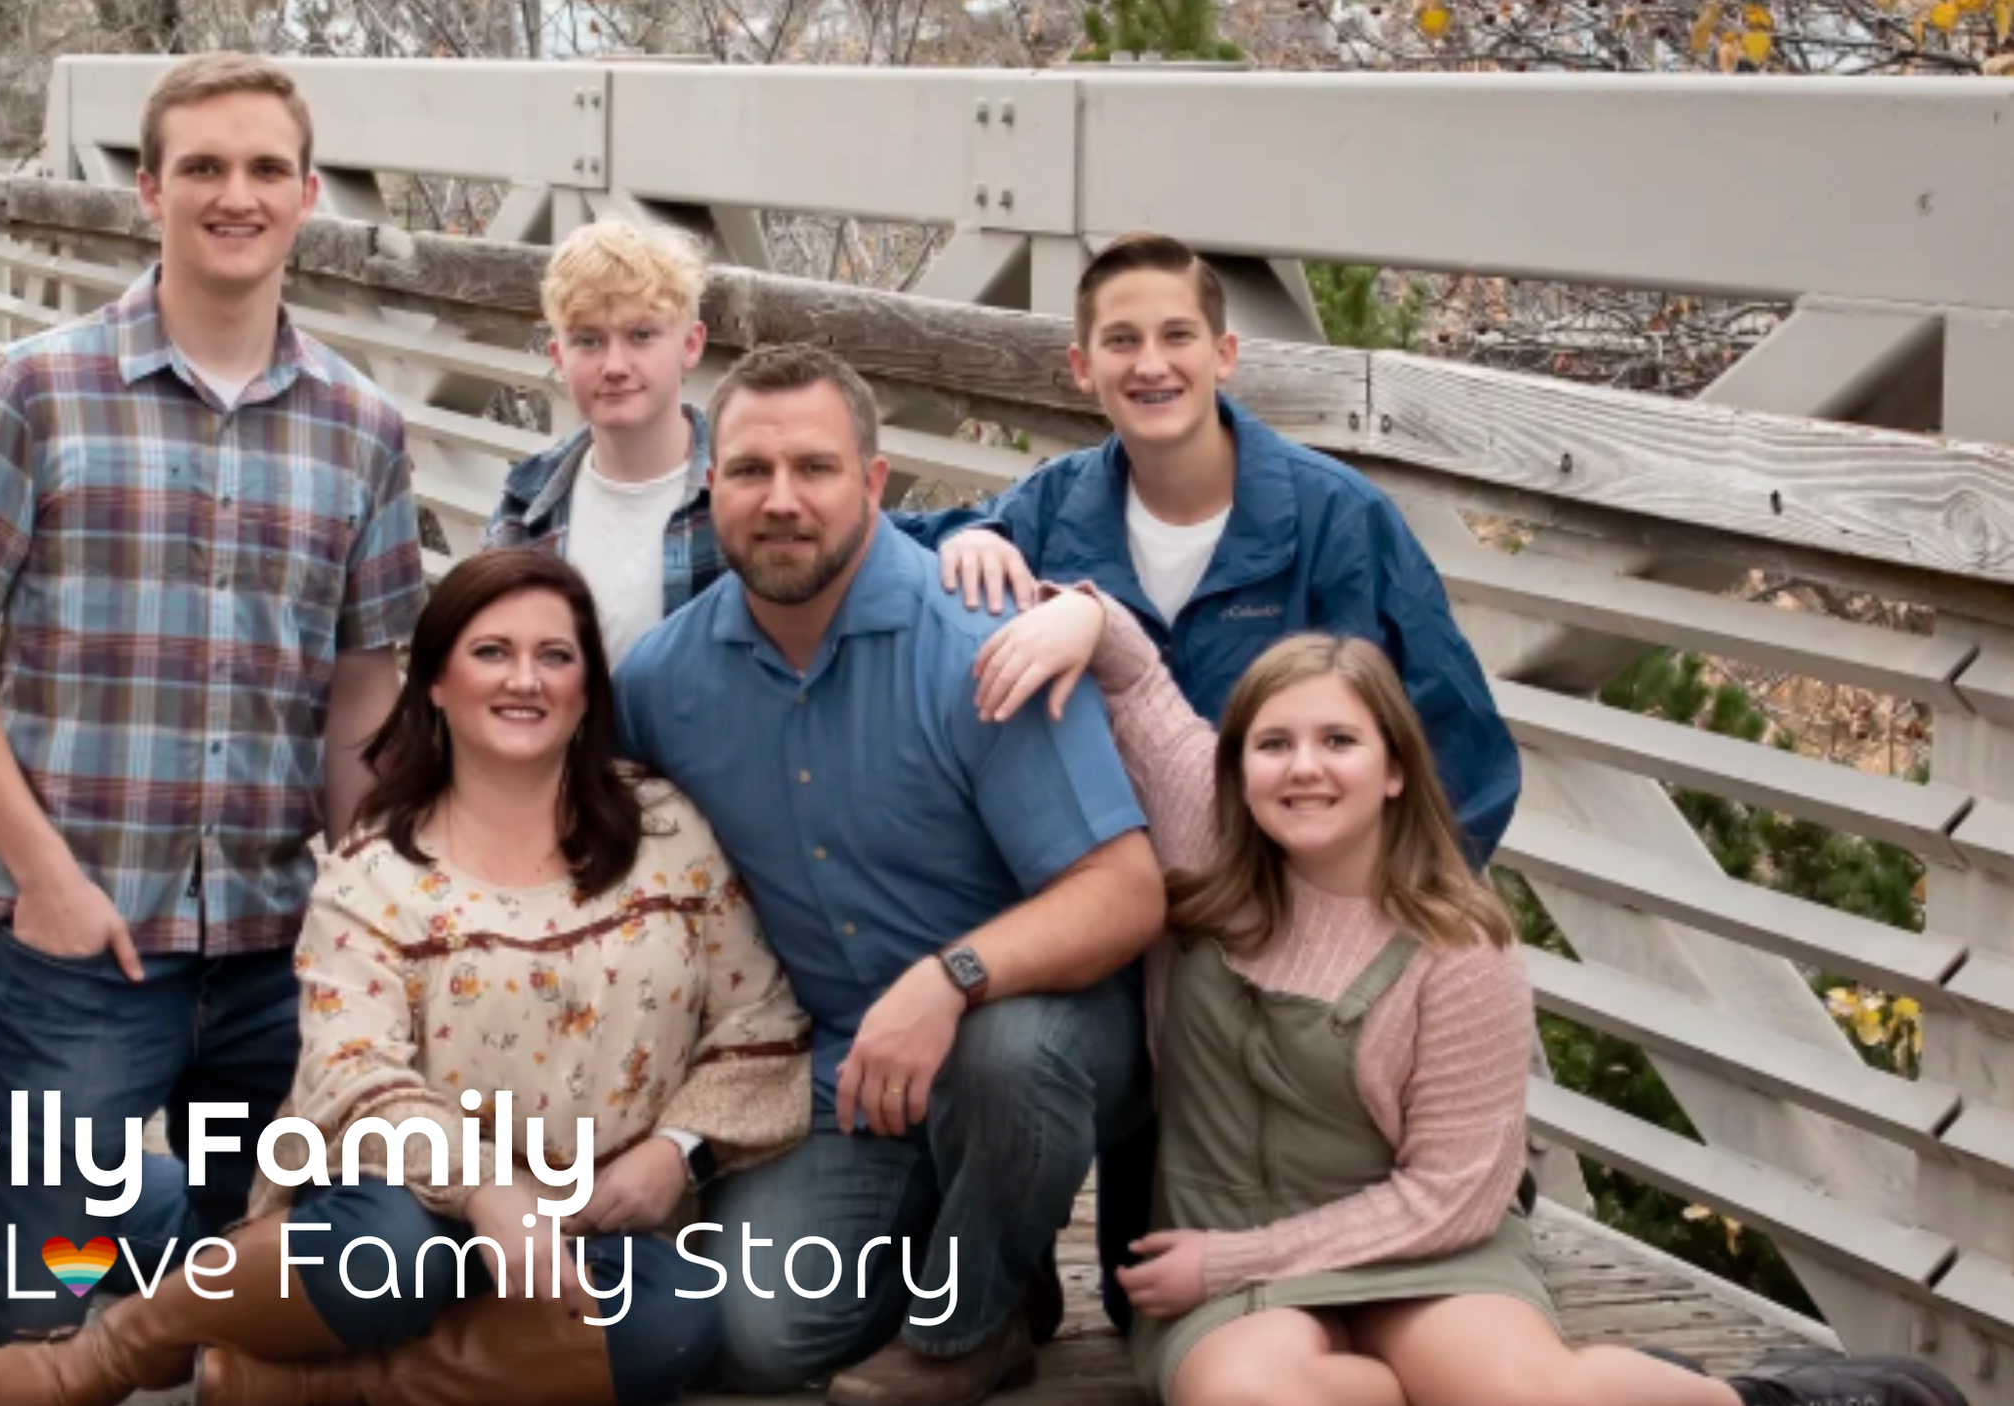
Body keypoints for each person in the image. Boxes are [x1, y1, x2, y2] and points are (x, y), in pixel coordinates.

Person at [0, 53, 423, 1349]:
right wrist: (41, 875)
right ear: (149, 189)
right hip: (80, 939)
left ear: (309, 192)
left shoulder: (363, 429)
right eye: (203, 166)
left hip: (277, 946)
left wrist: (372, 905)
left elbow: (363, 691)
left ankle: (27, 1188)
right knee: (26, 1304)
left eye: (266, 167)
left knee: (259, 1298)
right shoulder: (36, 389)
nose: (236, 193)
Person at [970, 588, 1971, 1406]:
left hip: (1418, 1245)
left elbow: (1451, 1193)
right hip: (1225, 1255)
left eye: (1338, 741)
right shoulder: (1207, 832)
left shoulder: (1458, 944)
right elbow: (1133, 673)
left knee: (1525, 1393)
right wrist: (1070, 606)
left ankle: (1766, 1399)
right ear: (1236, 766)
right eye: (1272, 744)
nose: (1302, 767)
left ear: (1396, 769)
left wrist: (1232, 1257)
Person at [0, 550, 815, 1406]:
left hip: (591, 1222)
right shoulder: (375, 867)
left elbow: (759, 1023)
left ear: (588, 687)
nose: (527, 679)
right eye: (491, 652)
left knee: (679, 1317)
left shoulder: (666, 833)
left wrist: (677, 1151)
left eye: (556, 656)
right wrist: (486, 1193)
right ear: (435, 681)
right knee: (390, 1258)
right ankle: (101, 1358)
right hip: (409, 1201)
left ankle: (294, 1389)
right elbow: (356, 1071)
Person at [922, 232, 1523, 1330]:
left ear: (1226, 353)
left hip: (1288, 973)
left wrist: (1392, 961)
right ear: (1078, 367)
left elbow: (1460, 756)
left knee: (1270, 1289)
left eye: (1175, 336)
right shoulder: (1043, 512)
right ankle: (988, 1314)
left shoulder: (1337, 520)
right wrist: (968, 539)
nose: (1150, 364)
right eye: (1120, 341)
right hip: (1118, 937)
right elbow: (873, 563)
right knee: (1137, 1280)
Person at [611, 344, 1168, 1406]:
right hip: (834, 1074)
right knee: (759, 1333)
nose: (781, 501)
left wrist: (948, 978)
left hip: (1033, 1035)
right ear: (706, 484)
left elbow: (1125, 888)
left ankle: (973, 1323)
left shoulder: (982, 643)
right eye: (748, 472)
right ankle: (978, 1239)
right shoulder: (660, 682)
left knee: (1008, 1056)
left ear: (873, 483)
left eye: (815, 469)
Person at [488, 217, 1033, 663]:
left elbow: (871, 532)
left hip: (706, 771)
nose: (615, 365)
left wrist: (972, 536)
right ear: (557, 357)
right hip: (566, 772)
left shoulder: (748, 478)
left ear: (691, 344)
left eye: (641, 336)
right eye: (588, 341)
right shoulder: (528, 500)